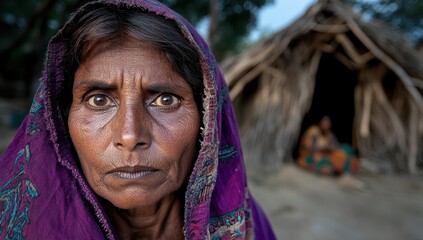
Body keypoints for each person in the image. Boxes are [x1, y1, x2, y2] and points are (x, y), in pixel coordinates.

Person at [0, 1, 276, 239]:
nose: (130, 136)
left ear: (208, 121)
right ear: (61, 120)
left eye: (165, 100)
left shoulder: (247, 226)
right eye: (99, 100)